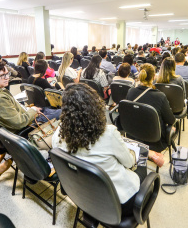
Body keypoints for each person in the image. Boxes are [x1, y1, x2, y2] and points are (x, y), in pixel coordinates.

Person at [52, 83, 158, 217]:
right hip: (118, 204)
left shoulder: (58, 134)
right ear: (94, 106)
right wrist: (132, 152)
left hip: (82, 195)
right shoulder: (109, 133)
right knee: (141, 156)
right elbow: (130, 163)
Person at [126, 63, 176, 153]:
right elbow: (171, 120)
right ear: (154, 77)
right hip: (155, 142)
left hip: (133, 136)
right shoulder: (160, 96)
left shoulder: (130, 91)